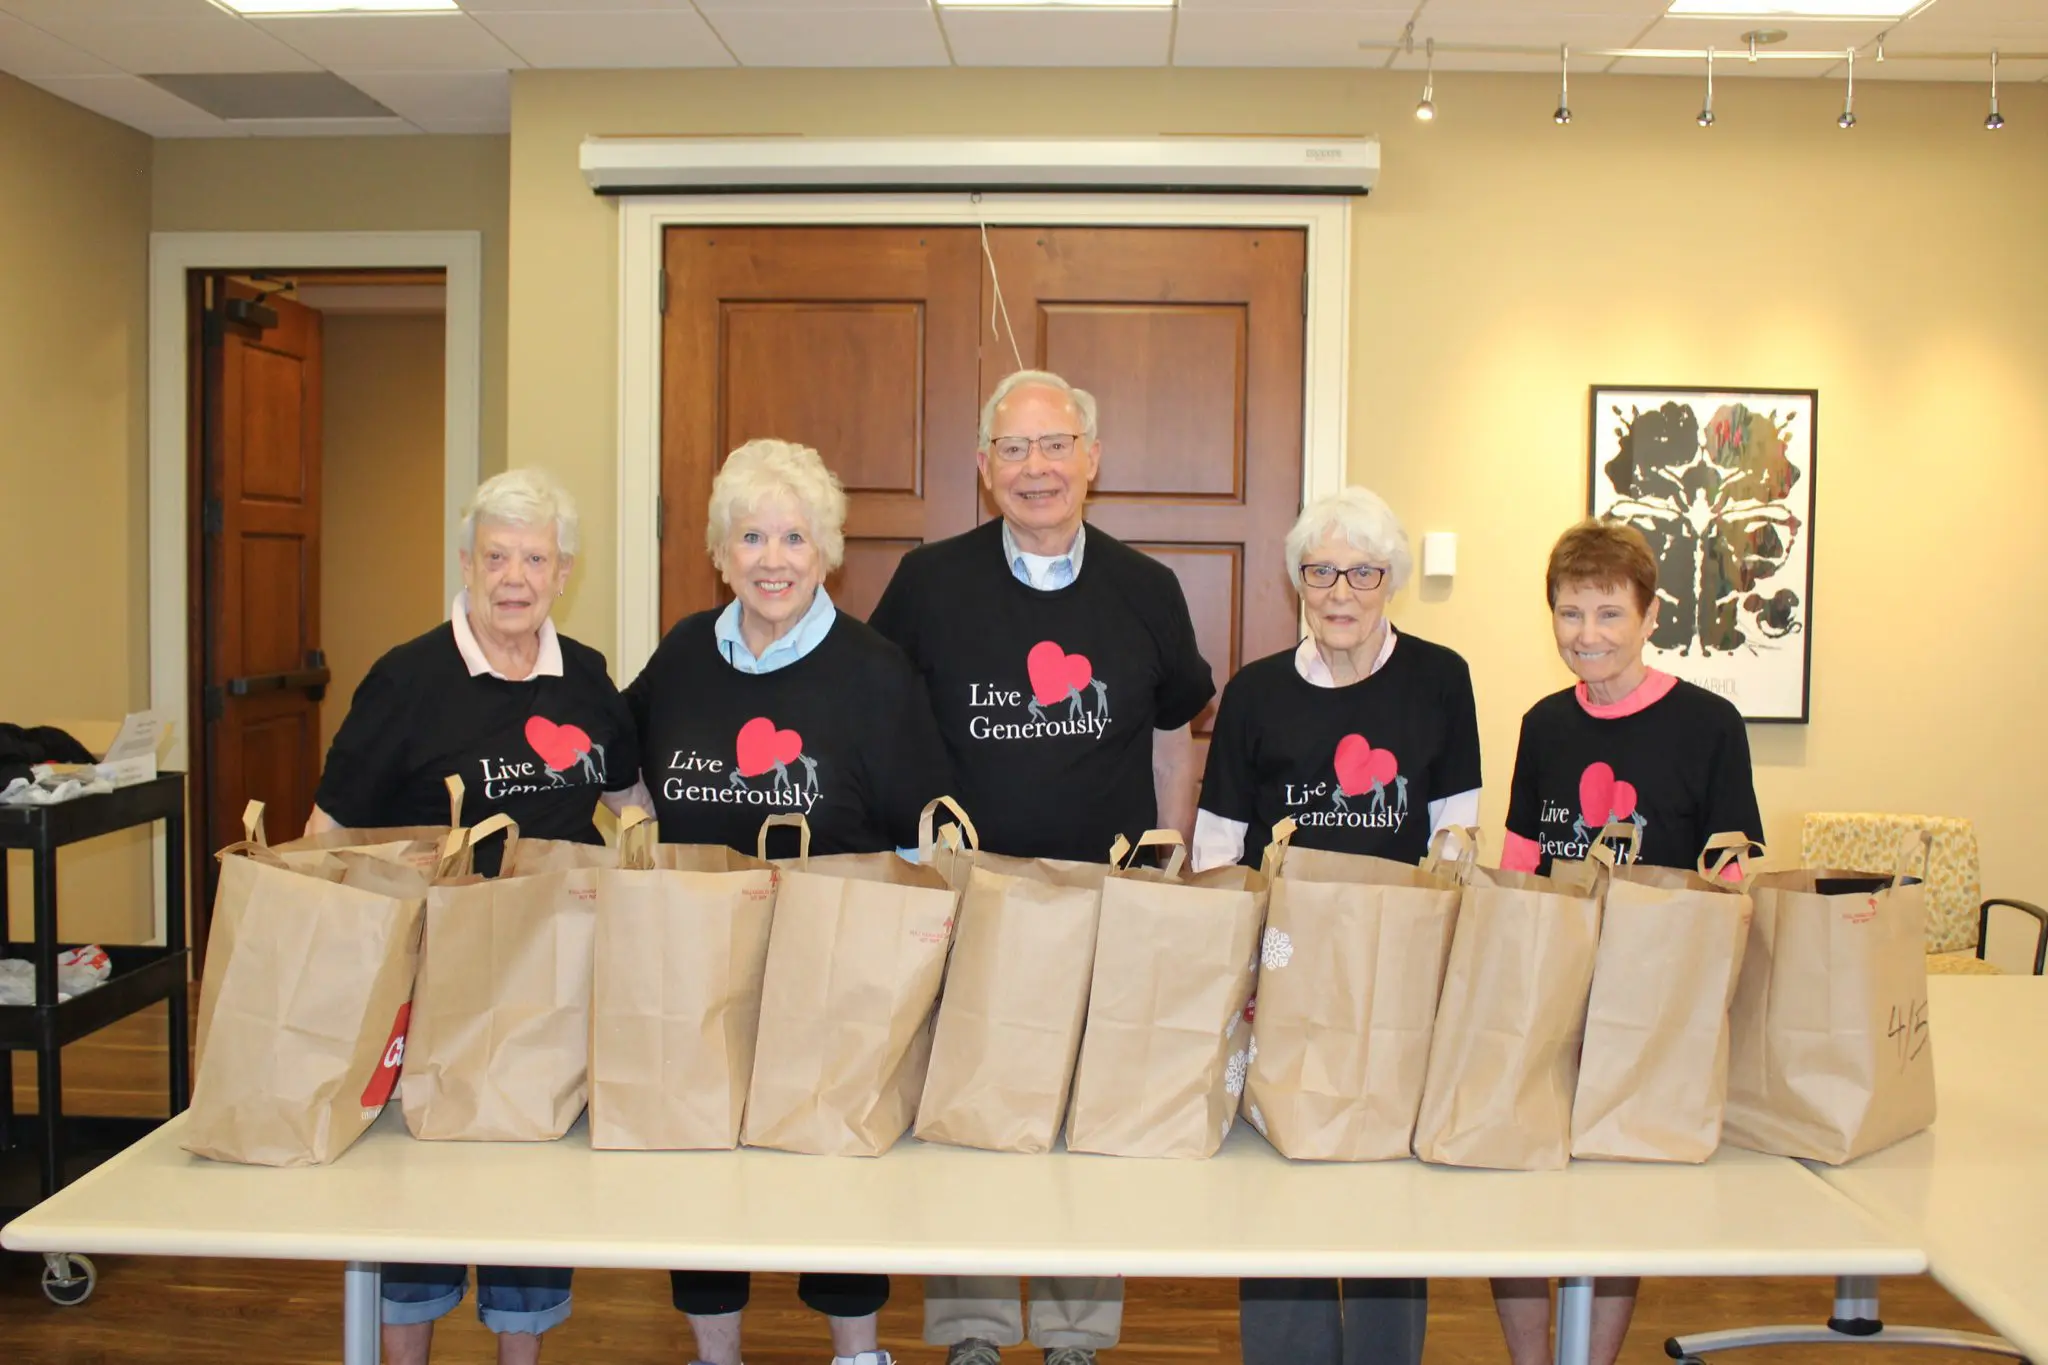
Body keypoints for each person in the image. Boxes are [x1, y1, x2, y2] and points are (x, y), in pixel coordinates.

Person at [869, 369, 1216, 1365]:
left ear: (1091, 459)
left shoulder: (1145, 590)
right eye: (1013, 450)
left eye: (1054, 445)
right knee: (971, 1111)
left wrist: (1169, 861)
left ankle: (1074, 1334)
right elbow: (885, 725)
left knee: (1086, 1112)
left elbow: (1168, 737)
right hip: (969, 898)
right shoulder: (927, 582)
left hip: (1102, 896)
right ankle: (972, 1329)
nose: (1036, 469)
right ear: (983, 469)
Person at [620, 438, 952, 1365]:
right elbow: (619, 752)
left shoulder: (875, 670)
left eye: (794, 537)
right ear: (721, 552)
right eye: (752, 536)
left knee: (832, 1164)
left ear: (827, 551)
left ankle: (856, 1350)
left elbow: (917, 831)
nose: (773, 558)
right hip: (696, 958)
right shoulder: (686, 651)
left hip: (830, 959)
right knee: (699, 1159)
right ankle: (716, 1353)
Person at [308, 467, 639, 1365]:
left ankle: (517, 1357)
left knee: (531, 1178)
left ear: (564, 571)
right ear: (466, 561)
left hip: (551, 972)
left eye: (535, 557)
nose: (514, 577)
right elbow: (330, 828)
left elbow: (630, 800)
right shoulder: (407, 679)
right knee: (417, 1179)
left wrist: (647, 876)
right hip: (431, 971)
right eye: (496, 555)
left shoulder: (587, 680)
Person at [1190, 486, 1479, 1365]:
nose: (1342, 591)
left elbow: (1457, 832)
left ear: (1389, 580)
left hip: (1399, 964)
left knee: (1389, 1185)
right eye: (1323, 571)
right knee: (1282, 1172)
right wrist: (1225, 970)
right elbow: (1219, 845)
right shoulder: (1256, 693)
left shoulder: (1441, 678)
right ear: (1299, 583)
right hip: (1285, 966)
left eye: (1363, 571)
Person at [1491, 517, 1764, 1365]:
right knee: (1513, 1189)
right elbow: (1521, 862)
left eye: (1609, 614)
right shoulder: (1543, 724)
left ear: (1650, 616)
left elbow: (1731, 868)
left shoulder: (1710, 723)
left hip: (1654, 1000)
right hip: (1549, 988)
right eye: (1571, 614)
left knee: (1619, 1201)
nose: (1588, 635)